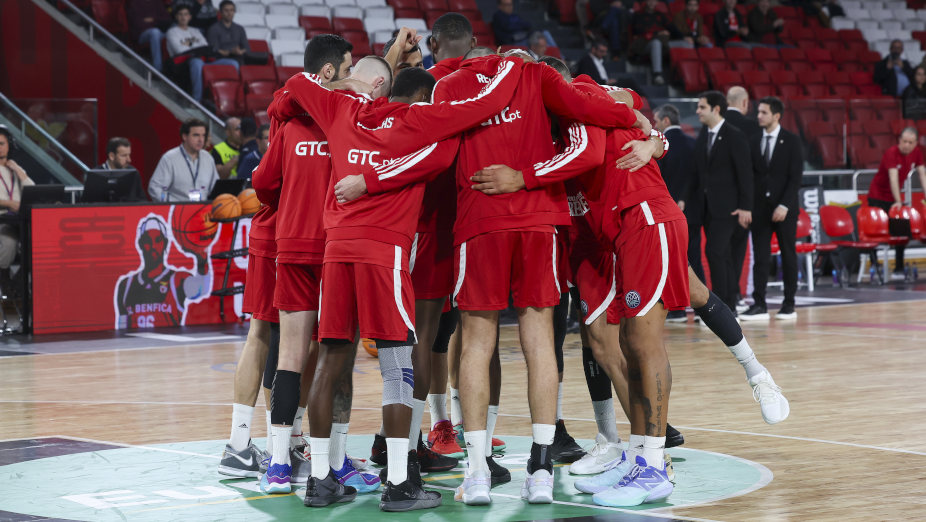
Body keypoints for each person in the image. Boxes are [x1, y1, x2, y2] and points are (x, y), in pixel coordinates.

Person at [271, 51, 527, 511]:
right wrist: (512, 66)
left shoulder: (339, 108)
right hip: (383, 252)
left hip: (336, 251)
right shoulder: (419, 120)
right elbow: (485, 107)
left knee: (330, 359)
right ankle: (399, 483)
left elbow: (296, 81)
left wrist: (341, 87)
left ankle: (321, 480)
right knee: (397, 368)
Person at [432, 48, 646, 505]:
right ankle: (542, 468)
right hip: (538, 219)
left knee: (476, 345)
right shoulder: (535, 74)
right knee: (540, 344)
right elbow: (591, 108)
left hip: (479, 221)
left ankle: (477, 473)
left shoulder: (449, 85)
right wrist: (635, 116)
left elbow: (436, 147)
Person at [684, 91, 753, 313]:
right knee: (721, 255)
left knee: (715, 252)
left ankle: (724, 306)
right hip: (706, 208)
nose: (697, 111)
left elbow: (745, 173)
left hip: (729, 209)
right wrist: (683, 198)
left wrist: (746, 206)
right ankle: (728, 305)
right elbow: (695, 171)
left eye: (702, 107)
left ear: (716, 109)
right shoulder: (704, 134)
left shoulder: (734, 135)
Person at [741, 97, 804, 321]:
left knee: (788, 255)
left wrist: (784, 205)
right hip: (760, 209)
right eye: (758, 112)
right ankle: (759, 304)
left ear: (776, 116)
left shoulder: (792, 141)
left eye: (763, 112)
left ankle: (789, 304)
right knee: (760, 257)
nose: (758, 116)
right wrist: (748, 206)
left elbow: (795, 177)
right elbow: (750, 177)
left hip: (785, 209)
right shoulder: (753, 140)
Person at [114, 214, 212, 328]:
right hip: (137, 340)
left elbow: (202, 289)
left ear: (165, 244)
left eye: (158, 240)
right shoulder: (126, 285)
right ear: (140, 244)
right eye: (147, 241)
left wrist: (202, 259)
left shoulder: (176, 279)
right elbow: (122, 329)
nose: (153, 246)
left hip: (168, 340)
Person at [866, 127, 926, 280]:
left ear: (915, 143)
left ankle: (898, 268)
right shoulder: (891, 153)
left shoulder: (917, 153)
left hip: (893, 199)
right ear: (899, 141)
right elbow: (893, 178)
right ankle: (874, 264)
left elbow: (922, 175)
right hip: (877, 196)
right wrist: (898, 200)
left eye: (910, 142)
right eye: (904, 141)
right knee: (875, 231)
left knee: (901, 231)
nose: (907, 145)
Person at [654, 104, 696, 317]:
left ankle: (677, 310)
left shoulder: (661, 145)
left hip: (667, 210)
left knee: (670, 259)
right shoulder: (693, 142)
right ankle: (698, 307)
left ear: (666, 121)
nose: (655, 125)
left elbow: (658, 178)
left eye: (656, 120)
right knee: (693, 259)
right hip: (694, 209)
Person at [166, 5, 240, 101]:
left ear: (190, 17)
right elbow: (180, 50)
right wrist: (196, 47)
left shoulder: (195, 31)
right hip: (183, 63)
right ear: (176, 17)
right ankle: (197, 99)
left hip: (204, 59)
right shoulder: (172, 32)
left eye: (186, 14)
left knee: (233, 63)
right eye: (180, 14)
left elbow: (205, 46)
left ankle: (232, 98)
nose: (183, 17)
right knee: (197, 62)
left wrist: (189, 44)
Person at [148, 118, 219, 201]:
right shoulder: (169, 158)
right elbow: (155, 188)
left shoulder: (208, 158)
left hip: (203, 208)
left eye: (203, 135)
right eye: (196, 135)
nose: (201, 140)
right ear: (184, 136)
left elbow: (215, 187)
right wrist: (172, 203)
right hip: (178, 207)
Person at [0, 127, 34, 275]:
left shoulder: (15, 168)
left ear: (9, 146)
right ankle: (3, 277)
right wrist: (8, 203)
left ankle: (21, 279)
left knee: (36, 240)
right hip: (2, 220)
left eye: (2, 144)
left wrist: (19, 171)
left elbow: (32, 190)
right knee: (9, 242)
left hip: (20, 219)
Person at [629, 0, 670, 85]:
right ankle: (657, 74)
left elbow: (671, 28)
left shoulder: (660, 15)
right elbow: (638, 31)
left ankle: (674, 76)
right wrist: (657, 33)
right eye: (649, 1)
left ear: (657, 2)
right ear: (646, 1)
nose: (651, 3)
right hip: (642, 44)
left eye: (654, 1)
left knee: (681, 43)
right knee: (656, 43)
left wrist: (685, 37)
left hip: (661, 44)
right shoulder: (638, 14)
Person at [127, 0, 171, 70]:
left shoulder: (157, 2)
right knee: (155, 32)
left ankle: (173, 68)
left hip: (159, 32)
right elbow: (137, 23)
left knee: (173, 31)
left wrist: (154, 20)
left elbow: (167, 19)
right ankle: (157, 68)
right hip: (141, 35)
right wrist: (157, 22)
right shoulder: (134, 3)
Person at [206, 1, 249, 65]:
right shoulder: (213, 29)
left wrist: (240, 51)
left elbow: (246, 48)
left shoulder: (240, 28)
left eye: (232, 10)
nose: (229, 13)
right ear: (220, 12)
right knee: (237, 62)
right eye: (226, 10)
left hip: (238, 57)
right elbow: (214, 50)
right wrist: (231, 52)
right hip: (221, 59)